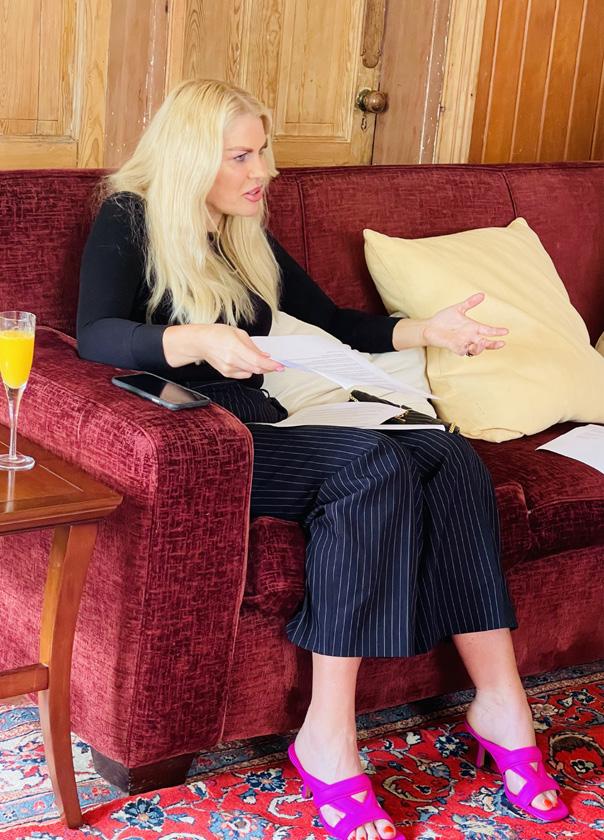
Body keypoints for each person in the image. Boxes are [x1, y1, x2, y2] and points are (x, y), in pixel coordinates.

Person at [77, 79, 568, 840]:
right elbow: (96, 335)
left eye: (263, 151)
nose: (264, 170)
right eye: (242, 155)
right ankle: (326, 737)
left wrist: (426, 331)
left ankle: (501, 704)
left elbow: (333, 322)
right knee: (371, 464)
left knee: (447, 455)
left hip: (264, 421)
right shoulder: (130, 219)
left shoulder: (240, 231)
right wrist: (193, 340)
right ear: (189, 158)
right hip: (201, 442)